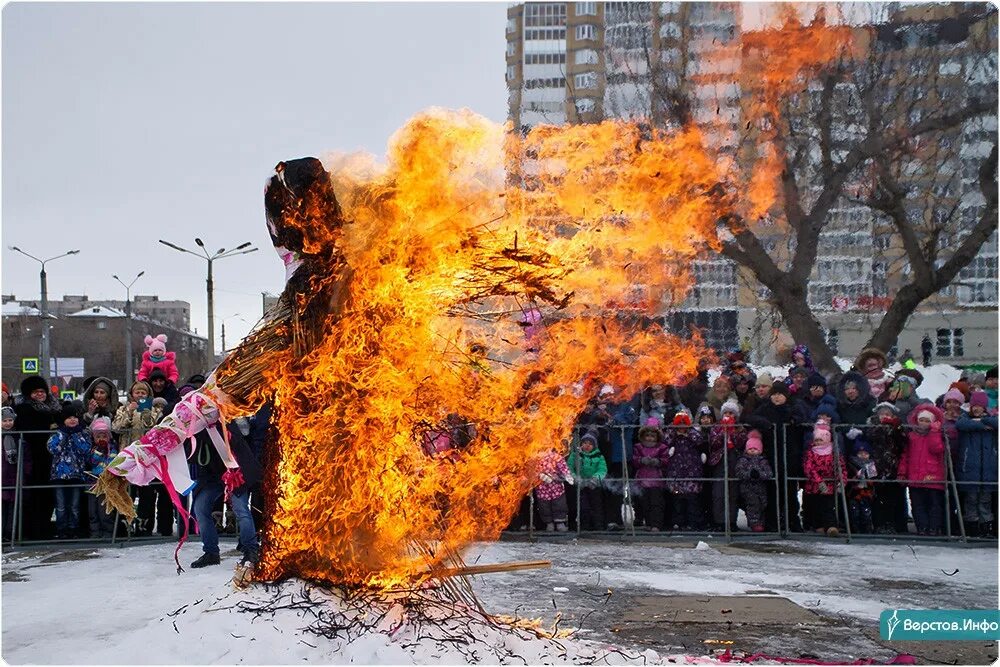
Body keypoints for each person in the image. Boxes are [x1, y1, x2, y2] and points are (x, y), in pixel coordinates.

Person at [187, 411, 262, 567]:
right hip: (211, 473)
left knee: (241, 509)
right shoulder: (196, 419)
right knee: (200, 508)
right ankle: (211, 552)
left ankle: (251, 550)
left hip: (235, 470)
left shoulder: (232, 413)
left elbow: (245, 431)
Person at [744, 381, 805, 533]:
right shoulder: (766, 408)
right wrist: (764, 423)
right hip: (772, 454)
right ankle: (773, 522)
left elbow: (802, 418)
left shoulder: (792, 407)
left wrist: (794, 420)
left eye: (780, 394)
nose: (777, 397)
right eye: (774, 394)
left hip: (789, 455)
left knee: (790, 491)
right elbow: (750, 418)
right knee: (772, 491)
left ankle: (792, 521)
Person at [113, 381, 171, 536]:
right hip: (128, 457)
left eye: (143, 393)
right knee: (126, 492)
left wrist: (146, 415)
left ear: (148, 395)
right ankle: (124, 526)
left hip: (147, 458)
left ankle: (144, 526)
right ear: (132, 394)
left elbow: (156, 429)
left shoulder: (155, 410)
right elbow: (116, 428)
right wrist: (129, 413)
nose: (140, 395)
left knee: (147, 493)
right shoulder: (123, 409)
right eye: (137, 392)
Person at [14, 375, 60, 540]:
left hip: (51, 457)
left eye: (42, 391)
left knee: (48, 495)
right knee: (34, 495)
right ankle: (32, 530)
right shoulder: (23, 409)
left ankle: (45, 527)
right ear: (29, 394)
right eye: (35, 392)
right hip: (32, 457)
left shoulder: (54, 407)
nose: (40, 394)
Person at [46, 401, 92, 539]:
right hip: (59, 475)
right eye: (69, 417)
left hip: (76, 474)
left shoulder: (83, 433)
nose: (72, 420)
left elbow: (85, 449)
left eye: (75, 417)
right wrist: (63, 434)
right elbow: (53, 449)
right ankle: (61, 529)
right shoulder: (56, 433)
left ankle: (74, 528)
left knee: (74, 505)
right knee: (60, 505)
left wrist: (76, 435)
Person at [955, 391, 998, 537]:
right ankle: (971, 527)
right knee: (971, 500)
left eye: (980, 406)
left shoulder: (991, 419)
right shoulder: (965, 418)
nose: (977, 409)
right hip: (969, 469)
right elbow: (960, 424)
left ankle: (986, 526)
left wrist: (984, 420)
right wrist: (980, 425)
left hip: (988, 470)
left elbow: (997, 423)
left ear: (985, 407)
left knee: (985, 501)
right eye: (974, 406)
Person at [899, 405, 946, 536]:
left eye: (927, 421)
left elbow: (936, 449)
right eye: (921, 420)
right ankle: (922, 527)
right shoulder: (911, 436)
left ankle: (934, 527)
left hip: (933, 477)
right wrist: (902, 472)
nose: (924, 423)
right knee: (917, 504)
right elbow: (905, 456)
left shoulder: (938, 434)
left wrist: (934, 433)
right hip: (915, 477)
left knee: (934, 505)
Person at [866, 403, 908, 534]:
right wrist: (882, 426)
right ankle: (878, 524)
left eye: (887, 414)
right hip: (875, 467)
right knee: (876, 497)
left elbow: (902, 442)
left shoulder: (898, 427)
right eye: (882, 414)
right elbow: (871, 437)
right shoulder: (872, 426)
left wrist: (895, 427)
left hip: (892, 467)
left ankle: (892, 524)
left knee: (892, 498)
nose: (884, 416)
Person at [707, 400, 746, 531]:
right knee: (719, 493)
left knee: (733, 493)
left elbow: (740, 443)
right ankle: (719, 521)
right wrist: (724, 431)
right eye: (726, 413)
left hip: (734, 460)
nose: (728, 415)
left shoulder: (740, 428)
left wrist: (732, 431)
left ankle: (731, 521)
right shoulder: (716, 427)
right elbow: (714, 443)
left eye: (731, 413)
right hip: (720, 461)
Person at [664, 411, 706, 531]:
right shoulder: (672, 435)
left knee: (693, 500)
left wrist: (689, 432)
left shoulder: (693, 434)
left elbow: (699, 440)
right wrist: (673, 430)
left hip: (692, 472)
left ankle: (693, 523)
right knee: (677, 500)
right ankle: (678, 522)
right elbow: (666, 440)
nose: (681, 427)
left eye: (684, 424)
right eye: (679, 424)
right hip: (676, 472)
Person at [802, 423, 846, 536]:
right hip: (814, 484)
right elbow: (809, 468)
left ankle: (831, 526)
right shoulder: (811, 452)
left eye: (820, 440)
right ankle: (819, 526)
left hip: (829, 484)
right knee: (816, 505)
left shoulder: (834, 453)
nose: (817, 443)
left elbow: (840, 467)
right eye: (816, 440)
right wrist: (819, 481)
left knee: (829, 506)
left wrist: (841, 481)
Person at [566, 430, 607, 531]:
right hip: (581, 485)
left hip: (594, 485)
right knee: (583, 506)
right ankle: (584, 526)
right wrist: (576, 478)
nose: (587, 445)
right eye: (585, 443)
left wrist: (596, 478)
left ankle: (598, 526)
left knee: (596, 506)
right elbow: (569, 468)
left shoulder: (599, 456)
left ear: (595, 446)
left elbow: (602, 469)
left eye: (590, 444)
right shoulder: (575, 455)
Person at [632, 421, 669, 531]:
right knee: (644, 503)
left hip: (656, 480)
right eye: (647, 435)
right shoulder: (638, 447)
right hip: (642, 480)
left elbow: (666, 460)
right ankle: (648, 523)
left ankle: (656, 524)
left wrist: (657, 461)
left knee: (656, 504)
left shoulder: (662, 447)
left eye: (652, 436)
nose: (649, 438)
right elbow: (634, 460)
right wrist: (641, 460)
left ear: (657, 437)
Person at [86, 417, 118, 538]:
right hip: (93, 482)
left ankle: (108, 532)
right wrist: (99, 450)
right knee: (92, 510)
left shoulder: (112, 448)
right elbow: (92, 462)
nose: (101, 439)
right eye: (98, 437)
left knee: (104, 509)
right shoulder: (93, 449)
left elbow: (114, 462)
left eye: (104, 436)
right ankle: (95, 532)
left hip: (107, 482)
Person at [734, 430, 772, 532]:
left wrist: (760, 475)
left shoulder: (763, 461)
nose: (752, 451)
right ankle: (754, 524)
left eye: (755, 448)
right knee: (753, 505)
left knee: (763, 505)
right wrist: (749, 474)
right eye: (750, 448)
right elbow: (739, 472)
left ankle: (761, 522)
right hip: (748, 488)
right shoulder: (743, 460)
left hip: (761, 488)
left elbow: (769, 473)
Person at [532, 448, 574, 532]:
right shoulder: (536, 457)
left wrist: (567, 476)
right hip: (542, 487)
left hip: (556, 486)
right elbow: (532, 470)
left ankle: (560, 523)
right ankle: (549, 523)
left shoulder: (556, 457)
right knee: (544, 506)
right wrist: (541, 476)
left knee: (559, 504)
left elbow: (563, 467)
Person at [846, 439, 877, 534]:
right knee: (854, 512)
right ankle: (855, 530)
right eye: (860, 453)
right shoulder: (851, 464)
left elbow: (873, 479)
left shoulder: (871, 464)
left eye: (866, 453)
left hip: (867, 493)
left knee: (866, 513)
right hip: (854, 493)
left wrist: (868, 480)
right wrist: (856, 478)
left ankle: (867, 530)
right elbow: (849, 478)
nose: (863, 455)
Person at [2, 406, 23, 540]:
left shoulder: (18, 436)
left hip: (13, 476)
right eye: (4, 421)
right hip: (3, 477)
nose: (8, 423)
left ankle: (10, 534)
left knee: (12, 508)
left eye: (10, 420)